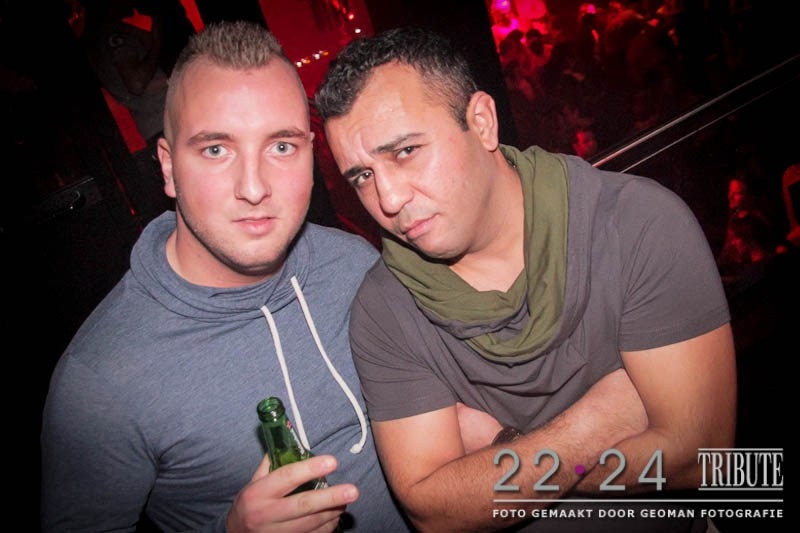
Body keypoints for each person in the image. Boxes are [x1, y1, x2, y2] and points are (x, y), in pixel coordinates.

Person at [315, 26, 736, 532]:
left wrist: (503, 455)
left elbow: (700, 457)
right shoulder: (385, 308)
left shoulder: (636, 224)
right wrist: (594, 423)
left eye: (405, 151)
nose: (388, 199)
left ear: (482, 122)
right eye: (362, 176)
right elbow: (435, 511)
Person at [40, 20, 408, 533]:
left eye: (281, 147)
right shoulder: (100, 381)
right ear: (168, 168)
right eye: (216, 149)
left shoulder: (354, 263)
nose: (254, 188)